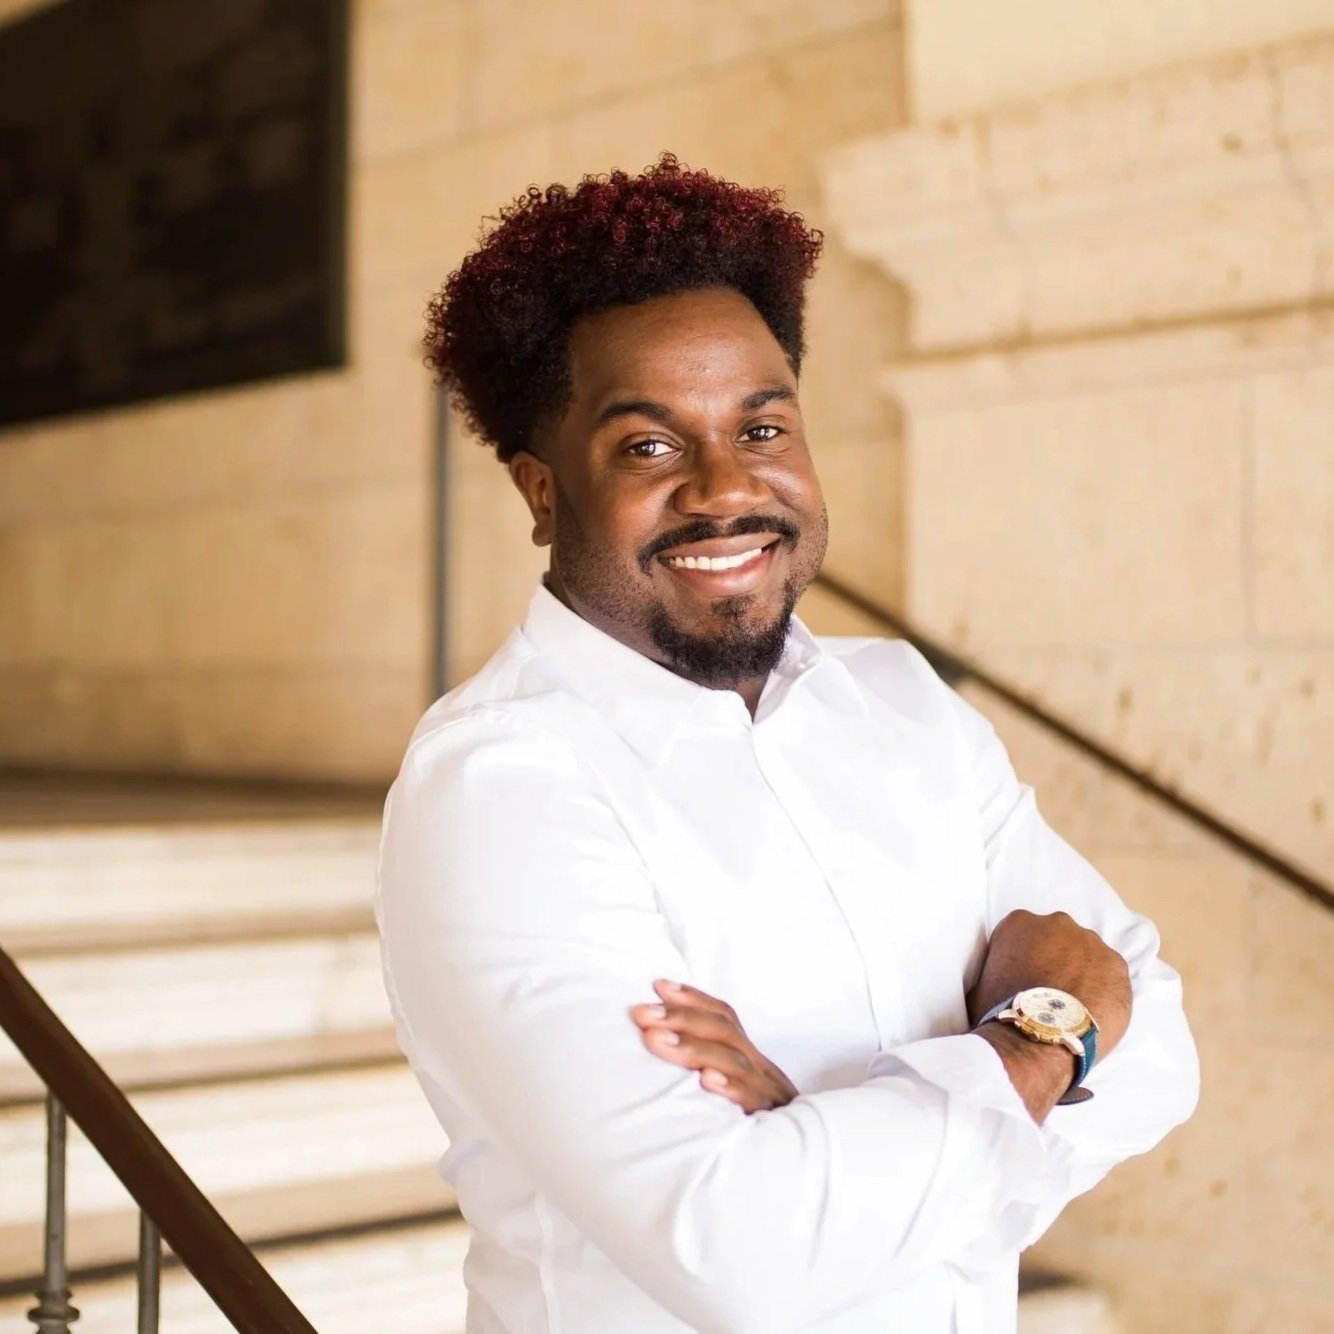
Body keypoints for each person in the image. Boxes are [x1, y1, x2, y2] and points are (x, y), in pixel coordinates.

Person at [375, 153, 1199, 1334]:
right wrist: (1032, 1048)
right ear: (540, 490)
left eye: (761, 424)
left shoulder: (902, 702)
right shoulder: (501, 783)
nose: (725, 486)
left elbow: (1159, 1045)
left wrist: (819, 1122)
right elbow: (737, 1250)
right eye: (648, 445)